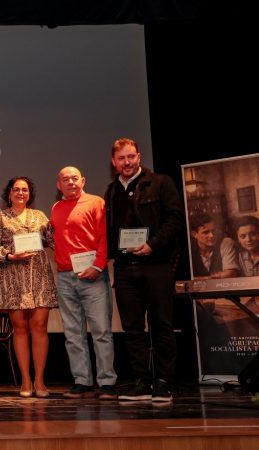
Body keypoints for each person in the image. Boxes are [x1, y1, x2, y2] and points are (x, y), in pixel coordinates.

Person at [104, 137, 185, 402]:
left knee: (161, 325)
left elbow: (175, 220)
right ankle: (141, 381)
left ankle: (164, 382)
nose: (126, 162)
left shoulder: (160, 182)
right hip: (125, 268)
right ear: (114, 162)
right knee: (132, 328)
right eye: (121, 158)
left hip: (157, 264)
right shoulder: (111, 190)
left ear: (139, 157)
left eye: (131, 157)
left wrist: (152, 244)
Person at [0, 176, 57, 398]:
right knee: (20, 328)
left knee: (39, 327)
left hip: (39, 276)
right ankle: (25, 379)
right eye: (16, 189)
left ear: (29, 194)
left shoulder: (40, 216)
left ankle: (40, 380)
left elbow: (52, 240)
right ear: (9, 194)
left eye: (24, 190)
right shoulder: (0, 217)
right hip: (13, 277)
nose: (20, 193)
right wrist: (9, 255)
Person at [51, 166, 117, 400]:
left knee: (101, 331)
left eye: (74, 178)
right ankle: (82, 381)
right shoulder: (56, 208)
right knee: (73, 333)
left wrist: (98, 266)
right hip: (65, 276)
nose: (70, 182)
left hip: (93, 275)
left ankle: (107, 382)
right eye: (65, 179)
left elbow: (104, 237)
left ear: (83, 180)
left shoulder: (96, 202)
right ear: (59, 185)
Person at [189, 213, 240, 279]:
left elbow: (231, 273)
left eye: (214, 230)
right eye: (205, 232)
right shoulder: (189, 248)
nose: (212, 235)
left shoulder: (225, 242)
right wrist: (219, 276)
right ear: (194, 234)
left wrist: (199, 279)